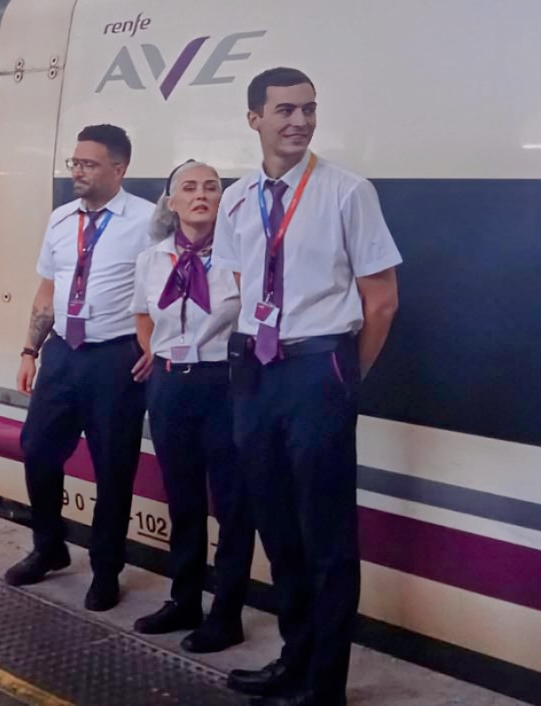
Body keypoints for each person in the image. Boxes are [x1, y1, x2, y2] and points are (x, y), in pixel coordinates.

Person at [213, 68, 401, 706]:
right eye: (285, 110)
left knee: (326, 536)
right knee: (277, 526)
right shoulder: (237, 199)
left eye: (309, 109)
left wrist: (345, 380)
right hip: (253, 370)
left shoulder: (348, 192)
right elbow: (239, 285)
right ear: (254, 119)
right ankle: (294, 660)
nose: (300, 121)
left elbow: (381, 302)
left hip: (319, 367)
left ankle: (325, 686)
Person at [6, 124, 155, 612]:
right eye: (75, 163)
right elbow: (47, 290)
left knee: (113, 468)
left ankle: (106, 570)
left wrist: (156, 344)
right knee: (37, 450)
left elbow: (167, 287)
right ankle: (49, 546)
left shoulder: (147, 221)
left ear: (119, 168)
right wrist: (30, 350)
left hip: (115, 358)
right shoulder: (61, 219)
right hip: (62, 356)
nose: (78, 172)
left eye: (89, 164)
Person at [128, 160, 254, 654]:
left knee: (232, 503)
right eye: (189, 187)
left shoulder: (242, 256)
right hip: (170, 384)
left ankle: (227, 614)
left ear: (224, 200)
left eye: (212, 188)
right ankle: (184, 600)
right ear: (172, 201)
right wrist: (154, 351)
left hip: (224, 383)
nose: (201, 195)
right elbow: (143, 314)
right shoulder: (152, 258)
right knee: (182, 499)